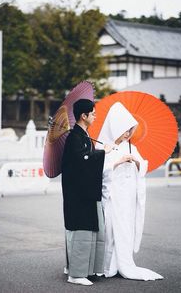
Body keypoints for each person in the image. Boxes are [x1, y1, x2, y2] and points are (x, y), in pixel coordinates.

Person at [96, 102, 163, 281]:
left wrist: (136, 162)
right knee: (109, 230)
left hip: (127, 197)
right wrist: (117, 162)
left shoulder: (131, 147)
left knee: (125, 230)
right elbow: (97, 171)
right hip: (111, 196)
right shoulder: (103, 146)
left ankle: (123, 263)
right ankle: (106, 265)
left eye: (130, 130)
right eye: (125, 129)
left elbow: (143, 167)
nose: (127, 134)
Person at [61, 99, 113, 286]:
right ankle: (75, 274)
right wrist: (102, 152)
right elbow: (82, 162)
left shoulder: (82, 135)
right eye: (93, 113)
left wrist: (99, 152)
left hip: (84, 192)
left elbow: (86, 158)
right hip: (79, 195)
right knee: (81, 231)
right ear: (84, 116)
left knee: (90, 230)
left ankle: (84, 269)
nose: (95, 115)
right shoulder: (75, 137)